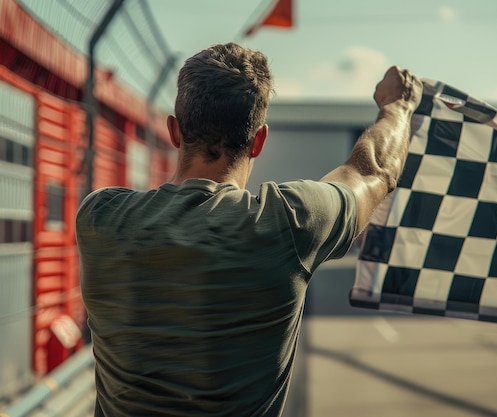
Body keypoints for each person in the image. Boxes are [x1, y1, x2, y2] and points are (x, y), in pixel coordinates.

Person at [76, 42, 422, 417]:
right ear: (259, 141)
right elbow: (372, 172)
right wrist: (398, 107)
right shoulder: (288, 223)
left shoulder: (100, 217)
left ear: (174, 131)